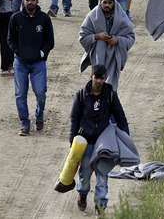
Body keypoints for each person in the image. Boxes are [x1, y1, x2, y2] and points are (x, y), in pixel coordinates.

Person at [69, 64, 129, 215]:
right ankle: (82, 195)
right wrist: (72, 141)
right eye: (96, 78)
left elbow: (121, 117)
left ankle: (100, 206)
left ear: (105, 78)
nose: (99, 81)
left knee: (102, 175)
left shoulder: (110, 95)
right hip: (86, 143)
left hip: (104, 143)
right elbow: (74, 119)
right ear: (91, 76)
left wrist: (125, 139)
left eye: (102, 78)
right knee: (85, 174)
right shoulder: (81, 95)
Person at [8, 0, 55, 136]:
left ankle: (39, 116)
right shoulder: (15, 18)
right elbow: (10, 40)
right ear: (23, 1)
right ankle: (24, 124)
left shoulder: (44, 19)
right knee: (20, 94)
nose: (30, 2)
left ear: (37, 1)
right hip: (20, 63)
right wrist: (18, 51)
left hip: (38, 64)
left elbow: (50, 41)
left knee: (40, 93)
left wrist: (42, 53)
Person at [79, 0, 135, 92]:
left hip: (114, 56)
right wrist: (97, 36)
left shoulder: (121, 17)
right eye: (104, 2)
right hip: (98, 56)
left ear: (114, 3)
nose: (107, 5)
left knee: (111, 89)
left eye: (110, 3)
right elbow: (83, 36)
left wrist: (117, 40)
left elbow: (131, 36)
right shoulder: (92, 16)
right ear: (100, 1)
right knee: (97, 86)